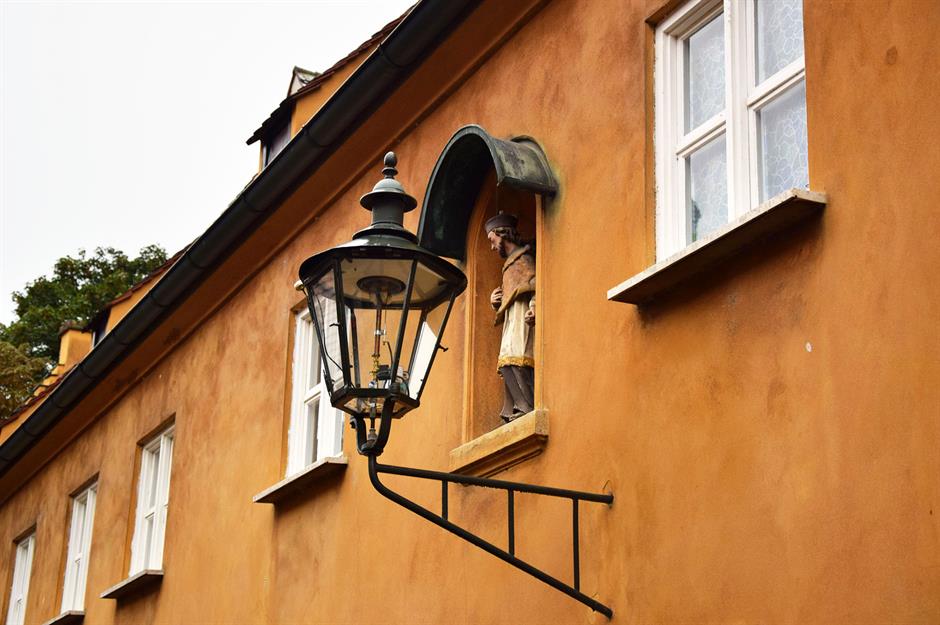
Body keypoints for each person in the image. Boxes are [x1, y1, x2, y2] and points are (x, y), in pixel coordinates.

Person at [485, 213, 536, 423]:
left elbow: (535, 284)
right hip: (511, 318)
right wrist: (495, 300)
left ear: (502, 234)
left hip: (522, 315)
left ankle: (526, 405)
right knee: (506, 361)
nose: (491, 246)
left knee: (517, 356)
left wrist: (534, 306)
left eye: (491, 240)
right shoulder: (507, 266)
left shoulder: (524, 259)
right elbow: (509, 292)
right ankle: (516, 407)